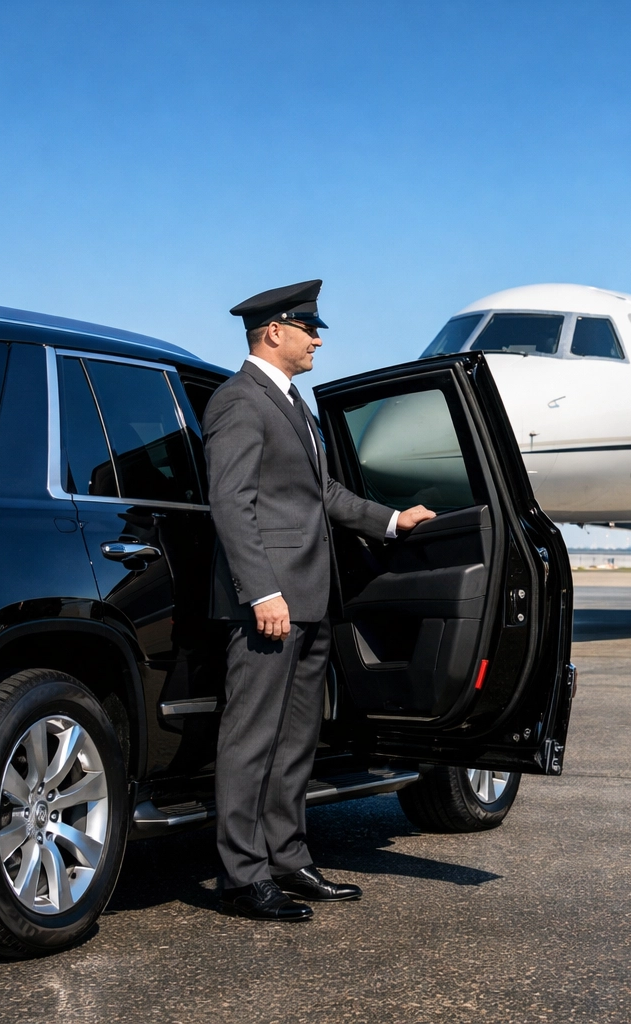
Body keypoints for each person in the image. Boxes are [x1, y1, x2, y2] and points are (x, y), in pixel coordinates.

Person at [205, 279, 435, 921]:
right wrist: (262, 591)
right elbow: (232, 502)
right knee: (251, 739)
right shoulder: (238, 402)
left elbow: (324, 495)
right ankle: (241, 876)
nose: (318, 339)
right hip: (272, 602)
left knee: (295, 740)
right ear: (273, 331)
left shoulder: (294, 404)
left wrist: (392, 520)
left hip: (311, 599)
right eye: (308, 328)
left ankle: (288, 858)